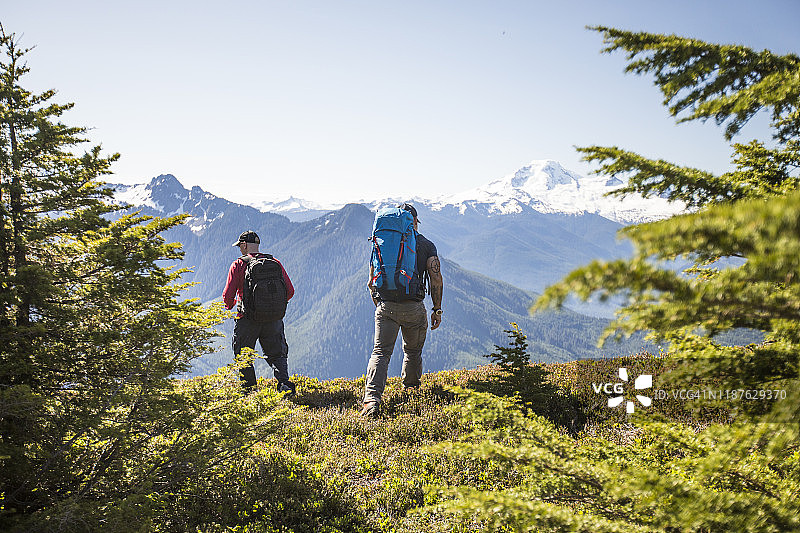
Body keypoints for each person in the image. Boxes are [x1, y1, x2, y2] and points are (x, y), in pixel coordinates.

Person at [361, 203, 444, 418]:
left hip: (386, 305)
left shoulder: (383, 240)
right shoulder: (426, 245)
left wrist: (379, 304)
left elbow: (371, 281)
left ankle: (371, 399)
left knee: (380, 352)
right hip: (414, 308)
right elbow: (435, 277)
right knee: (413, 351)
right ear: (414, 221)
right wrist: (437, 309)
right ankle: (411, 391)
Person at [222, 230, 296, 394]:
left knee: (244, 356)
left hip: (247, 319)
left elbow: (227, 296)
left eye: (240, 246)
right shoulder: (274, 262)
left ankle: (250, 393)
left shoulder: (238, 265)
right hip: (273, 318)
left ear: (243, 245)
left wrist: (232, 305)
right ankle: (284, 385)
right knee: (277, 354)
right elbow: (290, 291)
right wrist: (272, 305)